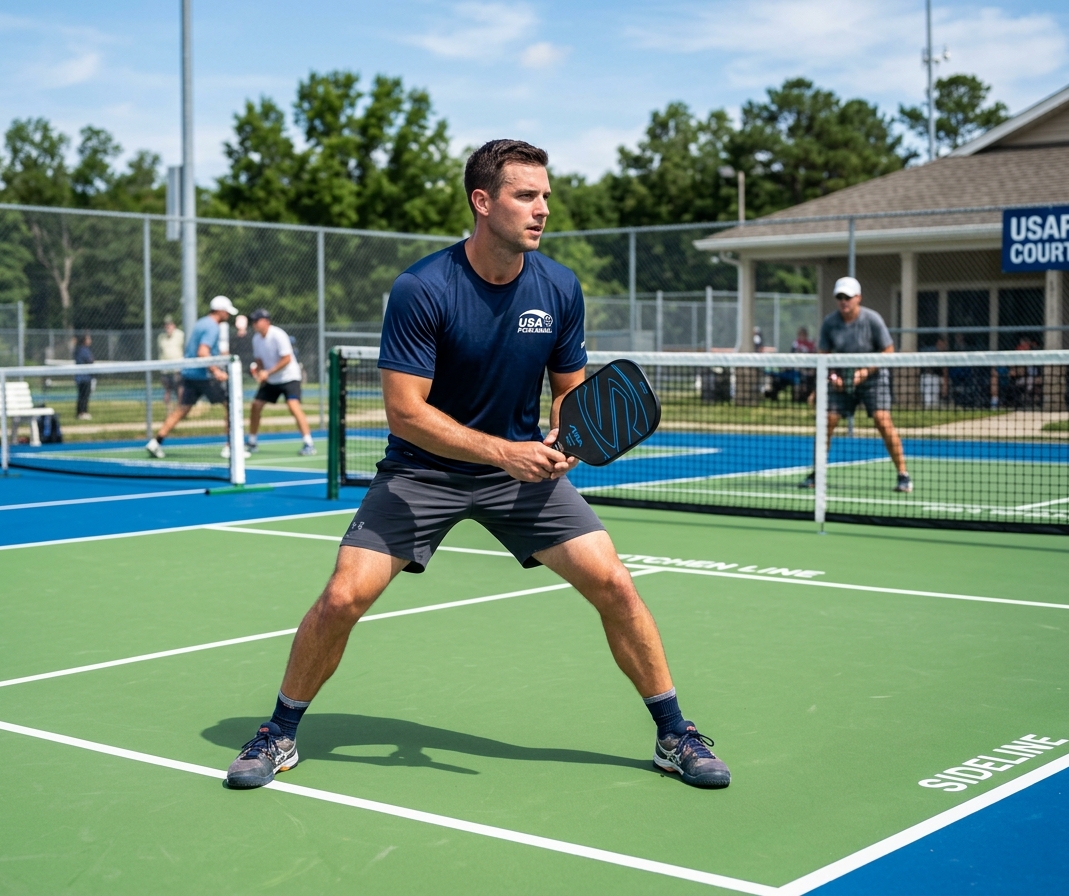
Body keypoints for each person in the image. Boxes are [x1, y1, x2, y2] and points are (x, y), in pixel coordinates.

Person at [224, 139, 731, 793]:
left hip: (521, 475)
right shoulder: (422, 289)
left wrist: (565, 435)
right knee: (343, 597)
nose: (543, 208)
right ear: (482, 201)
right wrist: (504, 451)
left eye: (546, 194)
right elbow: (405, 412)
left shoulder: (559, 286)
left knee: (614, 584)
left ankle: (674, 734)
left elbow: (571, 390)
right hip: (421, 473)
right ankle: (279, 732)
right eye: (527, 195)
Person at [800, 277, 911, 492]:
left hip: (873, 377)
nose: (844, 301)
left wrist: (863, 373)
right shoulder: (830, 323)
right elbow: (823, 357)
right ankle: (816, 473)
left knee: (882, 420)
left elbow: (888, 351)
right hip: (841, 379)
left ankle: (903, 475)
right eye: (840, 297)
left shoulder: (872, 320)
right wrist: (832, 379)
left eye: (848, 297)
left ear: (858, 298)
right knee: (827, 421)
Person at [146, 296, 249, 460]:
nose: (228, 316)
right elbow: (202, 352)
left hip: (190, 374)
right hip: (204, 376)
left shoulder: (201, 323)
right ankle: (231, 447)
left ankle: (156, 442)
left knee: (182, 409)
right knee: (230, 405)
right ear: (220, 311)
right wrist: (217, 371)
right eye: (226, 312)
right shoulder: (213, 327)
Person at [246, 309, 315, 456]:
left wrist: (267, 372)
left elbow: (286, 359)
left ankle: (308, 443)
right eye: (253, 321)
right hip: (271, 380)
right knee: (255, 405)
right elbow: (259, 360)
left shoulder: (278, 335)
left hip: (289, 377)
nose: (254, 324)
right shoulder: (256, 339)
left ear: (266, 321)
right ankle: (252, 442)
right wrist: (259, 371)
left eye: (256, 320)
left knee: (293, 406)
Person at [157, 316, 185, 413]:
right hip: (165, 369)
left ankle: (180, 410)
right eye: (166, 325)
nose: (168, 327)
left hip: (177, 369)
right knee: (167, 390)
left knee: (180, 389)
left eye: (170, 324)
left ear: (174, 325)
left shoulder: (180, 335)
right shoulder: (161, 337)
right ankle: (169, 411)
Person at [919, 335, 948, 409]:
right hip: (926, 378)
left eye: (944, 344)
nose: (942, 345)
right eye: (940, 343)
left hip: (935, 379)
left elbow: (945, 371)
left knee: (932, 404)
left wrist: (945, 385)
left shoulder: (944, 355)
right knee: (927, 402)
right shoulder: (929, 352)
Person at [74, 334, 93, 420]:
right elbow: (89, 361)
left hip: (86, 377)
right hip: (83, 377)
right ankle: (81, 412)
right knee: (83, 395)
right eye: (88, 339)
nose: (90, 341)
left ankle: (83, 412)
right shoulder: (82, 350)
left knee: (84, 395)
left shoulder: (83, 350)